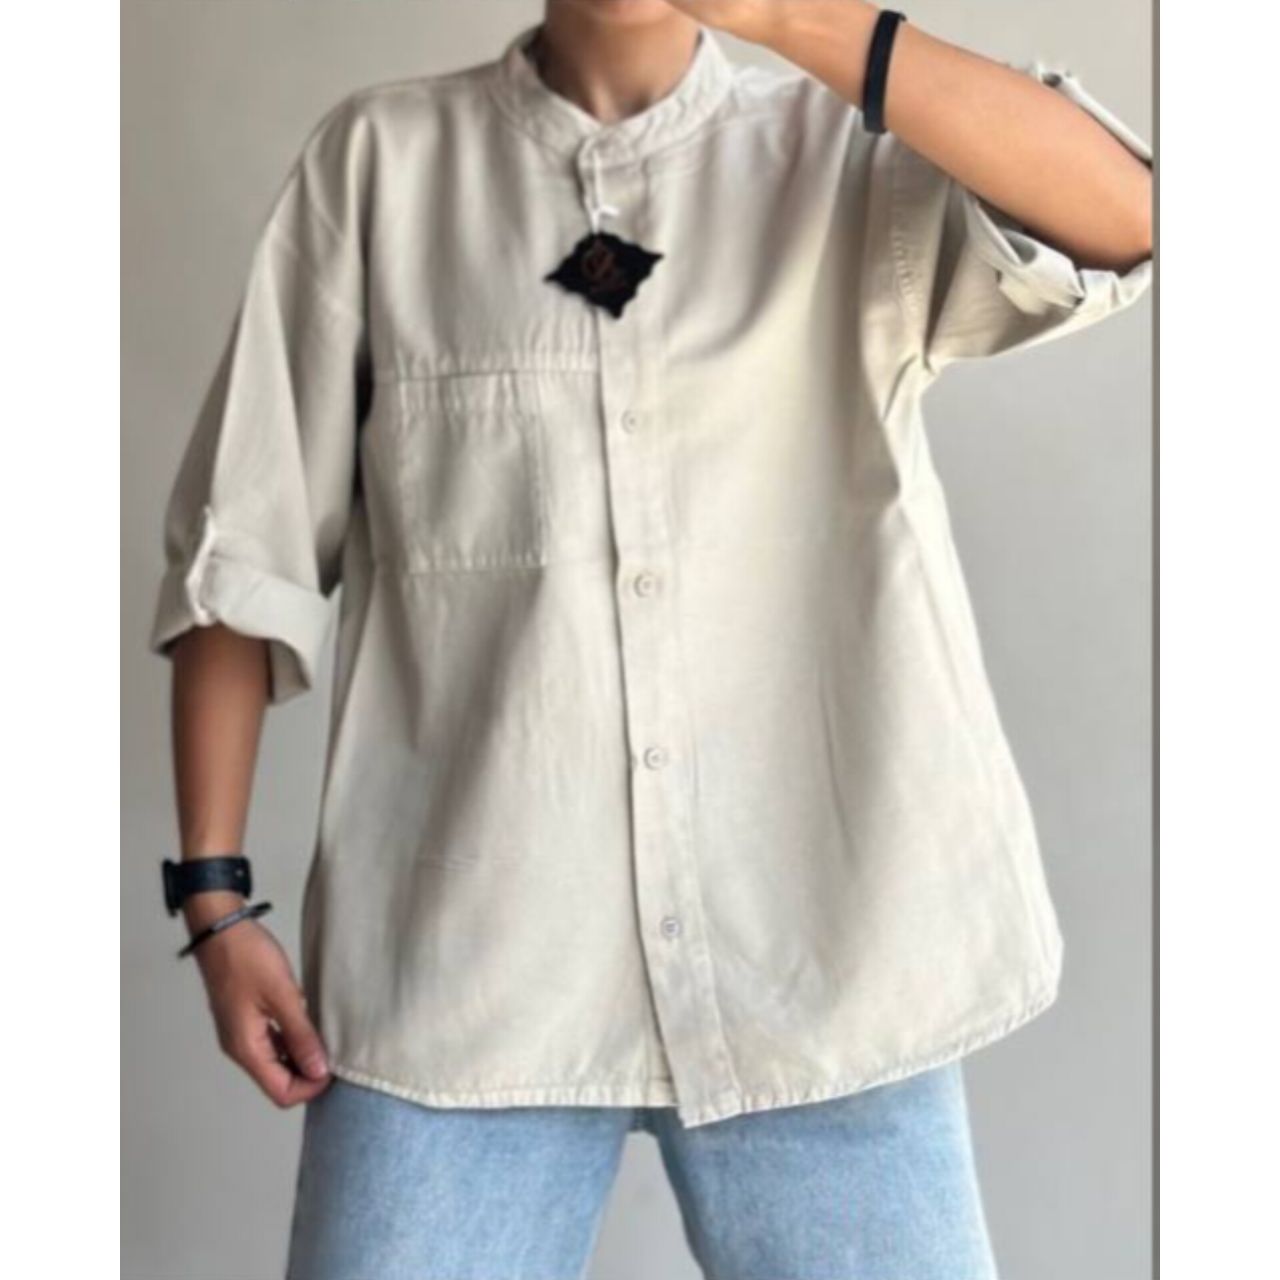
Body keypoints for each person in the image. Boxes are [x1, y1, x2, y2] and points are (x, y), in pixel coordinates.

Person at [149, 1, 1153, 1276]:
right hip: (467, 977)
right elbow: (243, 548)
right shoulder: (381, 165)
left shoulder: (844, 153)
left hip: (826, 966)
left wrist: (789, 16)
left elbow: (1125, 218)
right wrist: (213, 899)